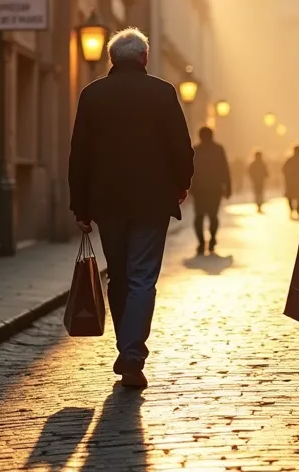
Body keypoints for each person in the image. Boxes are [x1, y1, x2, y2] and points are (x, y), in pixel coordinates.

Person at [68, 28, 194, 389]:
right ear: (144, 58)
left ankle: (127, 349)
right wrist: (181, 183)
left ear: (112, 59)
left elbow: (80, 154)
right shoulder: (162, 92)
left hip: (107, 203)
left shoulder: (92, 95)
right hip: (152, 201)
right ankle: (132, 354)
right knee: (141, 278)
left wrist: (80, 206)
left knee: (120, 276)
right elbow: (181, 147)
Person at [191, 126, 231, 255]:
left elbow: (190, 171)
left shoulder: (196, 150)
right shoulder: (218, 150)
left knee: (199, 216)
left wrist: (188, 186)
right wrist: (228, 186)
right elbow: (225, 169)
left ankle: (202, 243)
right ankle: (212, 240)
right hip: (214, 188)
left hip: (199, 189)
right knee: (213, 216)